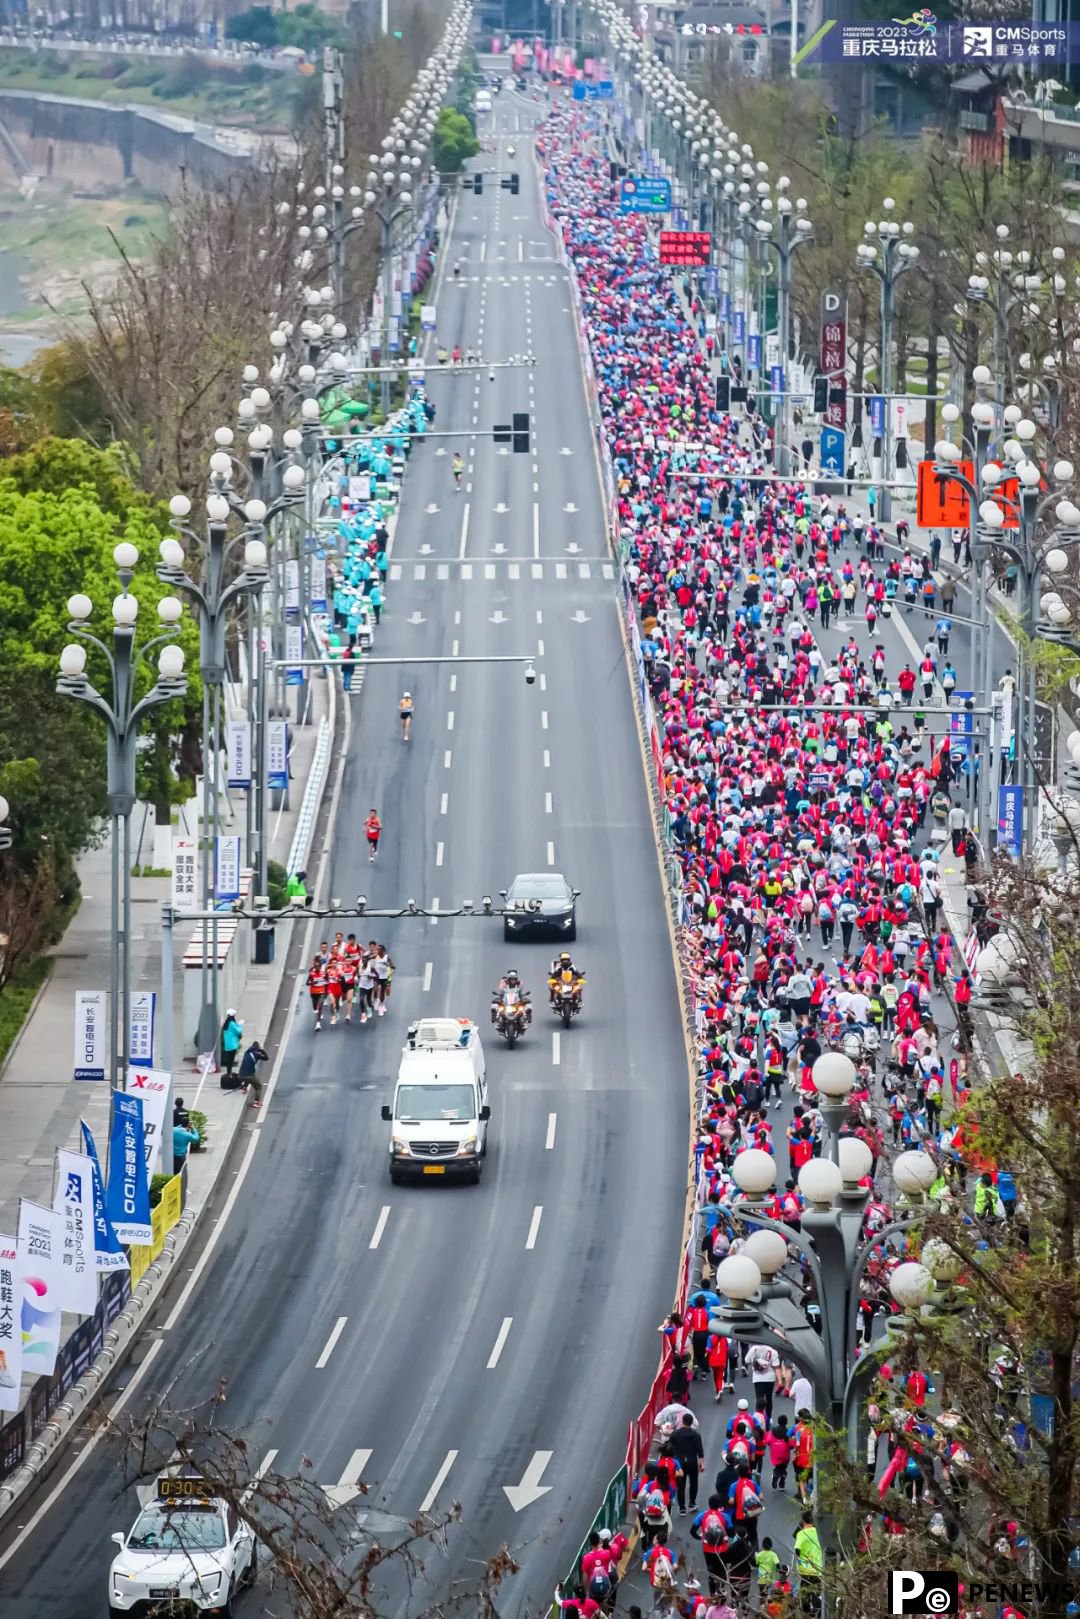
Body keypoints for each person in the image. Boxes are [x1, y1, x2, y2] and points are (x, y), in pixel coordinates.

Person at [670, 1411, 705, 1514]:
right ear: (691, 1422)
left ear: (682, 1421)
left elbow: (670, 1449)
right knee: (694, 1482)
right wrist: (702, 1464)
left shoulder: (675, 1434)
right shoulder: (696, 1435)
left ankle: (682, 1508)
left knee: (681, 1485)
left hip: (679, 1463)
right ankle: (692, 1503)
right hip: (692, 1461)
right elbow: (700, 1450)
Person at [238, 1038, 270, 1107]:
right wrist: (262, 1051)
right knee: (258, 1086)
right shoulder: (256, 1054)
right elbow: (267, 1058)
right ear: (257, 1048)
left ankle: (244, 1087)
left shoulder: (246, 1052)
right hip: (249, 1075)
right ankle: (256, 1102)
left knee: (250, 1077)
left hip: (240, 1075)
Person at [219, 1009, 243, 1081]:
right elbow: (238, 1032)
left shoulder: (226, 1023)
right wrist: (240, 1025)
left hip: (228, 1045)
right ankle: (229, 1073)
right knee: (231, 1060)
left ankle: (228, 1073)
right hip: (233, 1044)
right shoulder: (232, 1023)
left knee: (229, 1060)